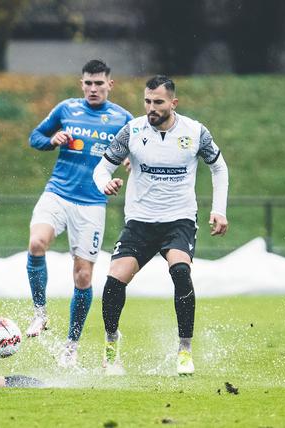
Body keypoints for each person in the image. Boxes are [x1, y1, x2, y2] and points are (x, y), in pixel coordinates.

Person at [93, 75, 229, 376]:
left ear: (173, 103)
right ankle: (112, 344)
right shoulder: (133, 130)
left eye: (158, 102)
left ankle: (184, 350)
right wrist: (105, 183)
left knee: (181, 272)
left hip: (178, 220)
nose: (151, 108)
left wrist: (219, 210)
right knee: (113, 282)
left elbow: (218, 167)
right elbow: (102, 167)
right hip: (140, 221)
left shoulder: (195, 132)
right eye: (147, 101)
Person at [25, 59, 133, 368]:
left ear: (110, 85)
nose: (93, 88)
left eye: (99, 83)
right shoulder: (66, 110)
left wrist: (129, 163)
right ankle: (40, 314)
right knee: (36, 243)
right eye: (88, 83)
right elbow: (35, 137)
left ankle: (71, 346)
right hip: (57, 193)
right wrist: (51, 141)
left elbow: (139, 150)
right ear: (81, 84)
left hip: (91, 205)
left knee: (83, 276)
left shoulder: (123, 119)